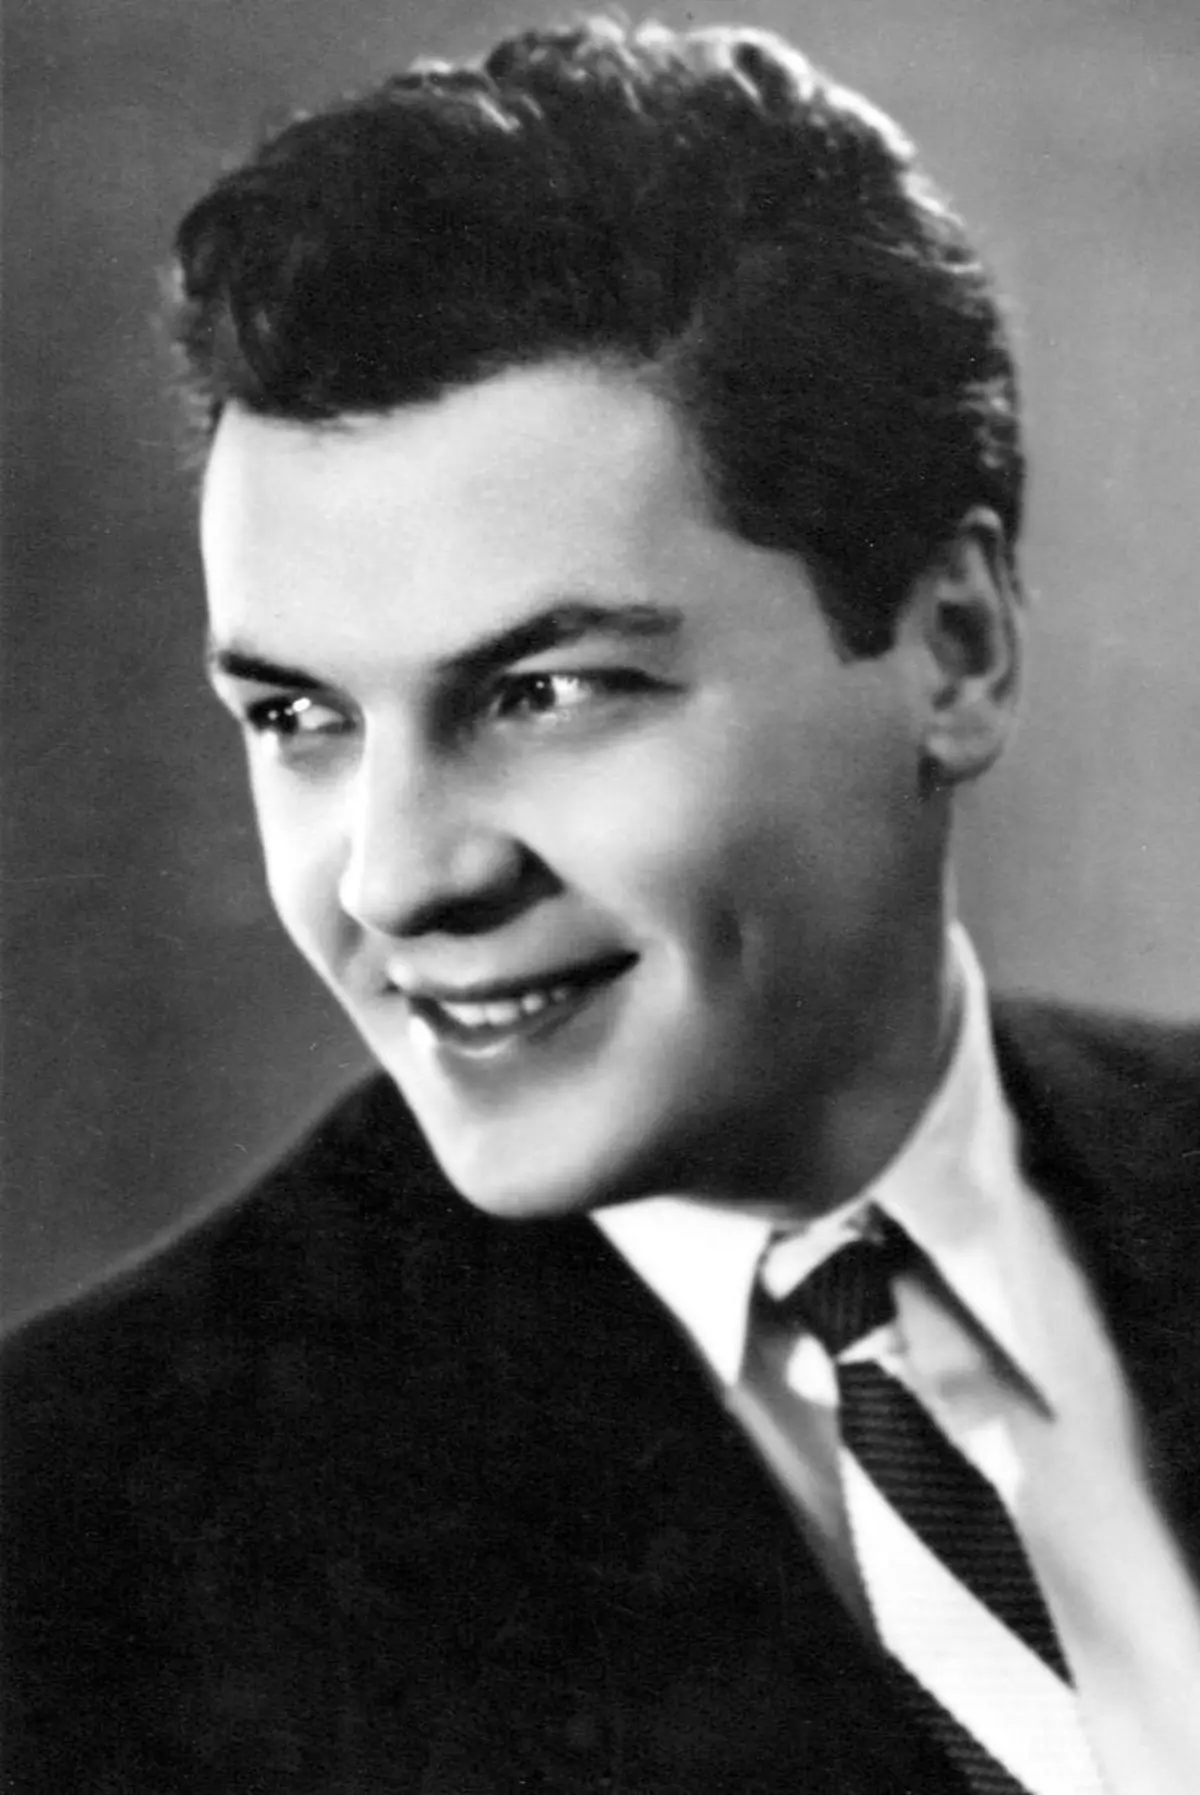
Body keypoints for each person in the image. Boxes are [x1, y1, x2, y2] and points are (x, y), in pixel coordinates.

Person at [4, 15, 1200, 1793]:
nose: (399, 874)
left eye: (546, 691)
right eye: (299, 719)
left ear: (955, 649)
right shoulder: (79, 1549)